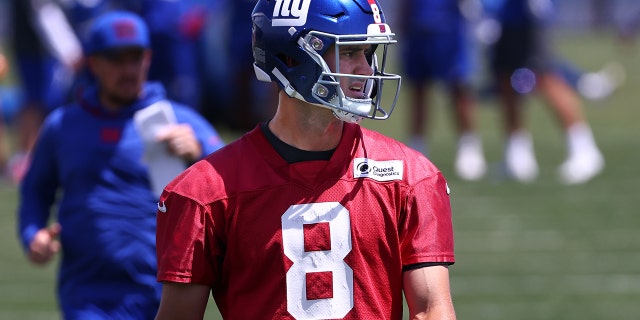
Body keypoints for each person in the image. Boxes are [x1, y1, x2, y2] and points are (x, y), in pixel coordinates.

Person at [155, 0, 457, 319]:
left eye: (368, 54)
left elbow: (431, 309)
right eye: (349, 53)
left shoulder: (411, 177)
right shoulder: (202, 192)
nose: (366, 71)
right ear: (291, 57)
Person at [17, 11, 224, 319]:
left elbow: (231, 185)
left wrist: (198, 157)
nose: (128, 69)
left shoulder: (180, 121)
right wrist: (33, 235)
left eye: (135, 57)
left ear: (148, 58)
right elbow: (34, 191)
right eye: (116, 59)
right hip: (86, 297)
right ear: (93, 63)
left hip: (161, 295)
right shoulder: (63, 126)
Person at [489, 0, 604, 184]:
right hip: (505, 19)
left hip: (530, 19)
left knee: (546, 79)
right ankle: (518, 156)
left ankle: (584, 149)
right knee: (506, 82)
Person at [399, 0, 487, 181]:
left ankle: (469, 146)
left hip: (449, 25)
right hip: (417, 24)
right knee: (418, 88)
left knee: (458, 87)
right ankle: (417, 148)